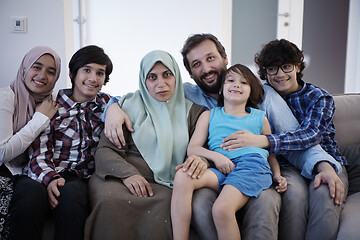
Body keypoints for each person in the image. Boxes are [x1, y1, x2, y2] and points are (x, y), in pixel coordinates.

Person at [84, 50, 207, 240]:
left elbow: (203, 149)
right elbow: (105, 150)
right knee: (109, 200)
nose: (161, 83)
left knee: (167, 201)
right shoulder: (126, 106)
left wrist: (200, 160)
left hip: (165, 182)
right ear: (143, 80)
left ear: (176, 75)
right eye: (152, 77)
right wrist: (128, 174)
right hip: (119, 176)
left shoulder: (194, 112)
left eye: (167, 74)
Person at [171, 64, 287, 240]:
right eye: (230, 81)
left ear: (251, 91)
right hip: (222, 168)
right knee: (182, 176)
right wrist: (216, 157)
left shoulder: (259, 117)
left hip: (251, 167)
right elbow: (193, 148)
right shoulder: (209, 115)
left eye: (243, 82)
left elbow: (270, 152)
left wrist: (277, 174)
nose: (236, 85)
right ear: (221, 89)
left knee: (221, 209)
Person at [8, 45, 113, 240]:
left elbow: (131, 102)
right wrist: (51, 179)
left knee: (72, 197)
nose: (93, 78)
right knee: (29, 197)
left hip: (76, 176)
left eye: (100, 73)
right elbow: (39, 152)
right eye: (87, 70)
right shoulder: (51, 104)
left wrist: (115, 107)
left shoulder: (106, 105)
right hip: (39, 171)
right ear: (72, 74)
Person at [247, 38, 348, 239]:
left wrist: (267, 140)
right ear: (265, 73)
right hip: (286, 166)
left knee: (326, 194)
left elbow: (310, 135)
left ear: (298, 66)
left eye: (286, 67)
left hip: (326, 161)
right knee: (294, 196)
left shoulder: (319, 97)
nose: (280, 74)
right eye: (272, 69)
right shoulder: (263, 97)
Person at [0, 46, 61, 239]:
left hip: (33, 172)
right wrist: (39, 119)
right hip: (7, 168)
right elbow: (3, 153)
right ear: (25, 68)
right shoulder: (7, 97)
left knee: (34, 195)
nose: (42, 75)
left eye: (51, 72)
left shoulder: (52, 102)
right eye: (37, 67)